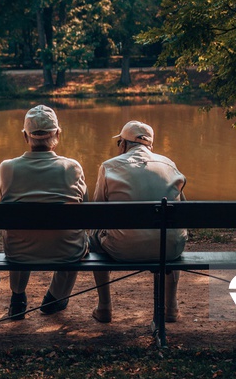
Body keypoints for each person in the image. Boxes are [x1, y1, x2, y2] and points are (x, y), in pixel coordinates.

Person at [88, 121, 187, 323]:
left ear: (123, 144)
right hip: (169, 250)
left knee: (94, 234)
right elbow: (182, 210)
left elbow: (98, 211)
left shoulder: (109, 167)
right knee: (171, 231)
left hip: (122, 249)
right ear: (150, 146)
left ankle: (105, 307)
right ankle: (171, 308)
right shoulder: (169, 165)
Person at [0, 105, 88, 320]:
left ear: (24, 136)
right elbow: (82, 202)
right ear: (58, 134)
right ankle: (55, 298)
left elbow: (5, 199)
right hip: (66, 251)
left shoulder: (7, 168)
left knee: (19, 230)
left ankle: (18, 298)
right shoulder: (72, 167)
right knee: (73, 236)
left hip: (19, 251)